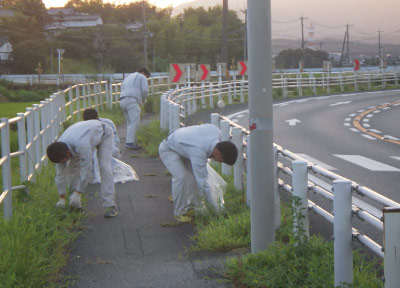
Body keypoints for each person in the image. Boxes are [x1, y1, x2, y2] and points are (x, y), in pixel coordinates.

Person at [159, 124, 238, 221]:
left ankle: (193, 207)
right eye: (221, 160)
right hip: (169, 149)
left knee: (193, 178)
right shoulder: (198, 151)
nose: (220, 162)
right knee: (181, 178)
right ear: (217, 153)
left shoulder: (216, 131)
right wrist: (216, 210)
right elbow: (203, 183)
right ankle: (179, 212)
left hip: (184, 147)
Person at [46, 120, 117, 218]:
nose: (62, 164)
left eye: (63, 161)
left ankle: (110, 205)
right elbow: (60, 175)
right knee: (71, 171)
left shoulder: (81, 145)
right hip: (83, 135)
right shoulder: (58, 148)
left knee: (104, 167)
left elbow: (86, 170)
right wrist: (61, 198)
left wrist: (78, 193)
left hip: (104, 133)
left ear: (67, 154)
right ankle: (75, 207)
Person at [119, 67, 151, 149]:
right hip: (132, 100)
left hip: (122, 100)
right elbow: (145, 90)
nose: (146, 78)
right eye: (147, 77)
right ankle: (130, 143)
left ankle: (130, 141)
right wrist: (143, 100)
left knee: (129, 122)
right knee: (134, 122)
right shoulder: (142, 77)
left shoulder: (128, 77)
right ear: (144, 73)